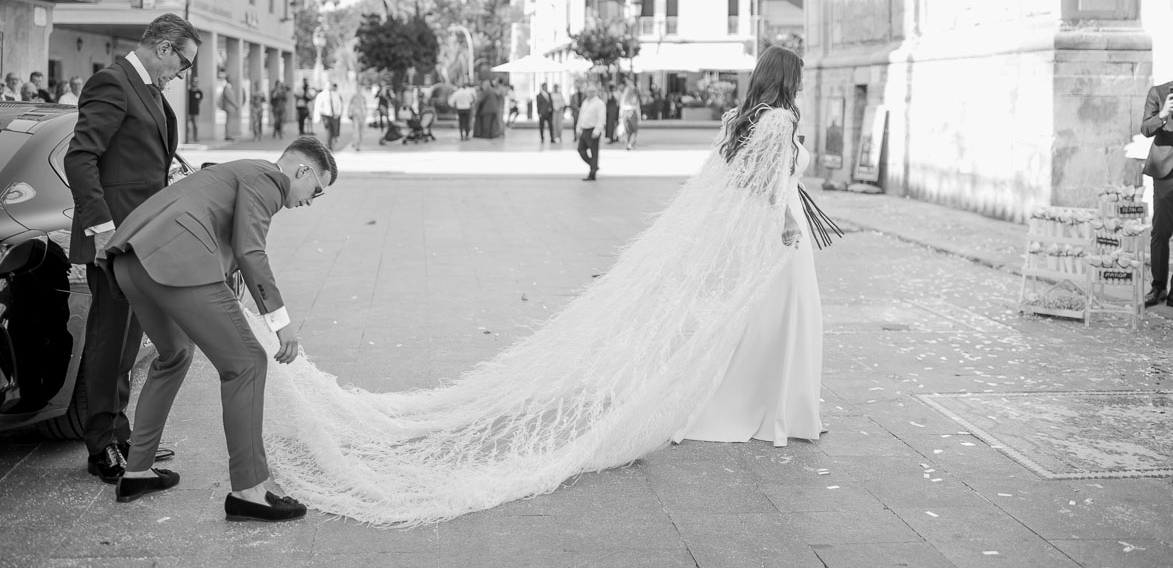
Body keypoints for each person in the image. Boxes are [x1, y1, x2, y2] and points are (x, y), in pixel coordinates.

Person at [240, 46, 819, 527]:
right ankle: (777, 408)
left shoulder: (741, 120)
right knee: (777, 324)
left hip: (762, 232)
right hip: (778, 236)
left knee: (749, 327)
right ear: (789, 80)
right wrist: (791, 220)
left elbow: (740, 181)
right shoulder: (780, 121)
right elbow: (769, 186)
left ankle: (748, 405)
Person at [103, 137, 337, 521]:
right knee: (247, 363)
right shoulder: (269, 179)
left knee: (175, 355)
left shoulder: (241, 170)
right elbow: (250, 250)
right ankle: (249, 491)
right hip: (176, 263)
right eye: (317, 190)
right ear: (303, 170)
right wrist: (280, 322)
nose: (311, 200)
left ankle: (138, 470)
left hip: (132, 261)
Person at [63, 13, 200, 484]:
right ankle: (100, 445)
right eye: (183, 63)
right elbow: (80, 157)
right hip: (115, 241)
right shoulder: (112, 82)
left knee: (127, 346)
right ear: (163, 47)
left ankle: (120, 435)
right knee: (107, 344)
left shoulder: (149, 92)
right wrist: (102, 229)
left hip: (144, 241)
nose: (181, 74)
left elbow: (146, 164)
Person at [1142, 79, 1173, 307]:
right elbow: (1145, 128)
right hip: (1165, 172)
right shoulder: (1159, 92)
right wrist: (1163, 114)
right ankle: (1158, 287)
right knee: (1161, 231)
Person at [576, 84, 605, 181]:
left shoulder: (599, 103)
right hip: (584, 129)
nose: (590, 93)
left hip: (593, 130)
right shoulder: (585, 102)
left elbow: (601, 118)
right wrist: (578, 128)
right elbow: (581, 116)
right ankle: (594, 166)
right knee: (581, 150)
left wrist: (597, 130)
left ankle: (592, 173)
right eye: (589, 91)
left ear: (596, 92)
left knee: (594, 152)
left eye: (593, 91)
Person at [314, 81, 344, 150]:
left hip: (334, 116)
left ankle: (331, 143)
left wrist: (338, 113)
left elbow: (339, 105)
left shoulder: (335, 94)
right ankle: (329, 145)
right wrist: (317, 117)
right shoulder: (322, 95)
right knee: (328, 131)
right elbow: (317, 106)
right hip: (326, 115)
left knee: (334, 131)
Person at [619, 78, 641, 150]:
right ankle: (629, 143)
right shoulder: (627, 90)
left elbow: (637, 103)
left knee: (632, 129)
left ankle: (630, 142)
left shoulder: (632, 90)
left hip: (631, 111)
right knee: (629, 129)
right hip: (628, 111)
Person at [348, 86, 368, 151]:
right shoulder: (353, 97)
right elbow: (350, 106)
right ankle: (357, 145)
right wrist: (349, 113)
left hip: (362, 116)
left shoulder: (363, 98)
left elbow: (365, 107)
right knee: (356, 131)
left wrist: (365, 115)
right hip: (355, 116)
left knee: (361, 131)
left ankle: (357, 143)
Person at [219, 76, 239, 142]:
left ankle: (229, 135)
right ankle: (228, 135)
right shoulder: (227, 88)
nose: (232, 80)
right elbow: (230, 98)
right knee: (229, 122)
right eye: (230, 79)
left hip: (231, 107)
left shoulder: (229, 87)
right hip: (229, 107)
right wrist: (235, 105)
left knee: (229, 121)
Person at [186, 77, 203, 141]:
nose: (194, 83)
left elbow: (200, 101)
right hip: (188, 111)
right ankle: (187, 138)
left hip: (196, 111)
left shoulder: (199, 92)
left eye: (196, 82)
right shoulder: (189, 91)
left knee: (195, 125)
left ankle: (195, 138)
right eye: (193, 81)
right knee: (187, 125)